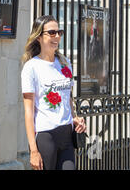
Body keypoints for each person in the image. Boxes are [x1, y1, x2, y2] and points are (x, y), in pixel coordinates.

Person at [21, 15, 86, 170]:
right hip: (46, 136)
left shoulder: (64, 62)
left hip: (67, 133)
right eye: (51, 32)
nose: (57, 36)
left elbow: (68, 98)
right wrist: (33, 150)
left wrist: (75, 118)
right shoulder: (31, 67)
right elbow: (28, 111)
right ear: (38, 37)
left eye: (59, 32)